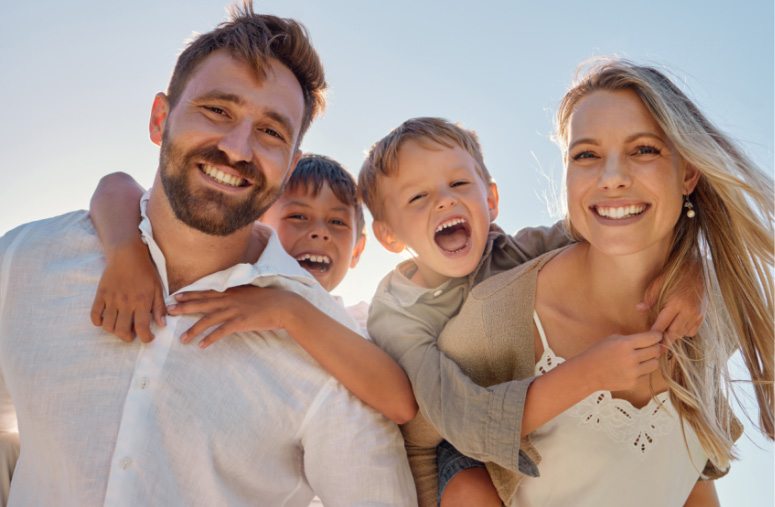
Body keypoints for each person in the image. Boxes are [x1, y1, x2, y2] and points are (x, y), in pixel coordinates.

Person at [0, 4, 416, 506]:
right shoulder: (26, 261)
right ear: (160, 118)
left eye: (271, 132)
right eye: (218, 110)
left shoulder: (330, 352)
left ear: (289, 167)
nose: (239, 148)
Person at [430, 59, 773, 506]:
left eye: (644, 149)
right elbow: (419, 439)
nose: (611, 178)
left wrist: (696, 270)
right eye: (586, 155)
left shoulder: (717, 304)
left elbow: (687, 472)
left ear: (688, 173)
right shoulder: (501, 316)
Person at [357, 117, 705, 506]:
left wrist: (690, 272)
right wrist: (590, 373)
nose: (444, 200)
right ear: (388, 235)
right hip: (448, 440)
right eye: (417, 198)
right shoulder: (397, 314)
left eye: (458, 184)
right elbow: (457, 417)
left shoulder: (520, 252)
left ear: (491, 200)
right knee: (469, 490)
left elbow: (616, 231)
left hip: (520, 410)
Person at [88, 154, 417, 422]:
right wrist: (125, 253)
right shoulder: (227, 278)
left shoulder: (352, 322)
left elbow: (399, 403)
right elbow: (116, 184)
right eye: (298, 217)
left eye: (337, 222)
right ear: (257, 224)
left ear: (358, 251)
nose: (320, 233)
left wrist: (287, 310)